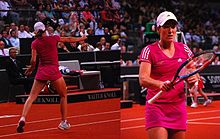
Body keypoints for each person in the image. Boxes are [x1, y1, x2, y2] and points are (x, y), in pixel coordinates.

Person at [16, 21, 87, 133]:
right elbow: (68, 40)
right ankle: (63, 122)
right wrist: (81, 38)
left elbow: (33, 60)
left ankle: (23, 117)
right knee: (63, 95)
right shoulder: (53, 38)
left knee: (32, 96)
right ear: (44, 29)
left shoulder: (34, 43)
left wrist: (31, 68)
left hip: (41, 71)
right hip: (53, 71)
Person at [139, 11, 197, 139]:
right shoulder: (149, 50)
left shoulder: (185, 49)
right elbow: (143, 79)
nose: (170, 30)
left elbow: (193, 74)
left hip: (178, 108)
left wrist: (193, 80)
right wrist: (160, 84)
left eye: (173, 26)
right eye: (166, 27)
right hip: (157, 108)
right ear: (158, 29)